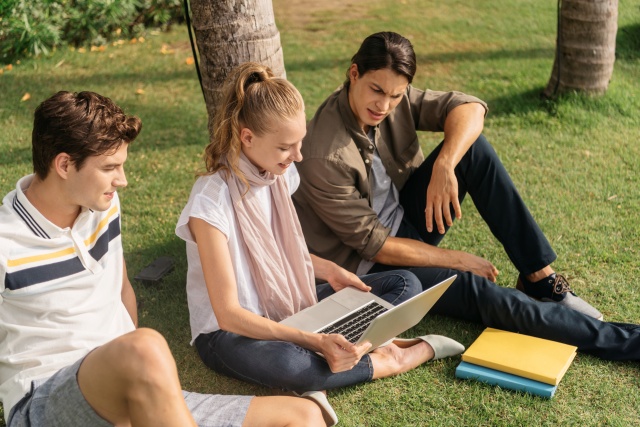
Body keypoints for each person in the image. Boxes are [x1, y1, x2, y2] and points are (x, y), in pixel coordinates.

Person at [292, 31, 640, 361]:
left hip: (405, 219)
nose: (384, 105)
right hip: (372, 266)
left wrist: (445, 164)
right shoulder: (325, 154)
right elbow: (376, 246)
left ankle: (540, 278)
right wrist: (456, 259)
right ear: (354, 74)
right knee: (485, 295)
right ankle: (626, 342)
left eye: (396, 95)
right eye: (377, 91)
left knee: (474, 150)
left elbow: (471, 107)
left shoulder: (393, 99)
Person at [0, 90, 327, 427]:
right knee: (143, 346)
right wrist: (135, 362)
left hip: (129, 386)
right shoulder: (6, 241)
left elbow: (122, 289)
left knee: (303, 416)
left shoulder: (102, 206)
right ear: (65, 164)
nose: (123, 180)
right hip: (46, 403)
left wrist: (138, 382)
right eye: (110, 168)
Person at [175, 62, 465, 414]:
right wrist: (310, 338)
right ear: (247, 137)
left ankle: (337, 353)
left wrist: (329, 271)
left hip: (294, 300)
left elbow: (278, 254)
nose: (297, 157)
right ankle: (390, 358)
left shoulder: (277, 175)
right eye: (286, 148)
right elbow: (229, 314)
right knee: (289, 365)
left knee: (404, 283)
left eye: (299, 143)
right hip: (231, 333)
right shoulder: (211, 203)